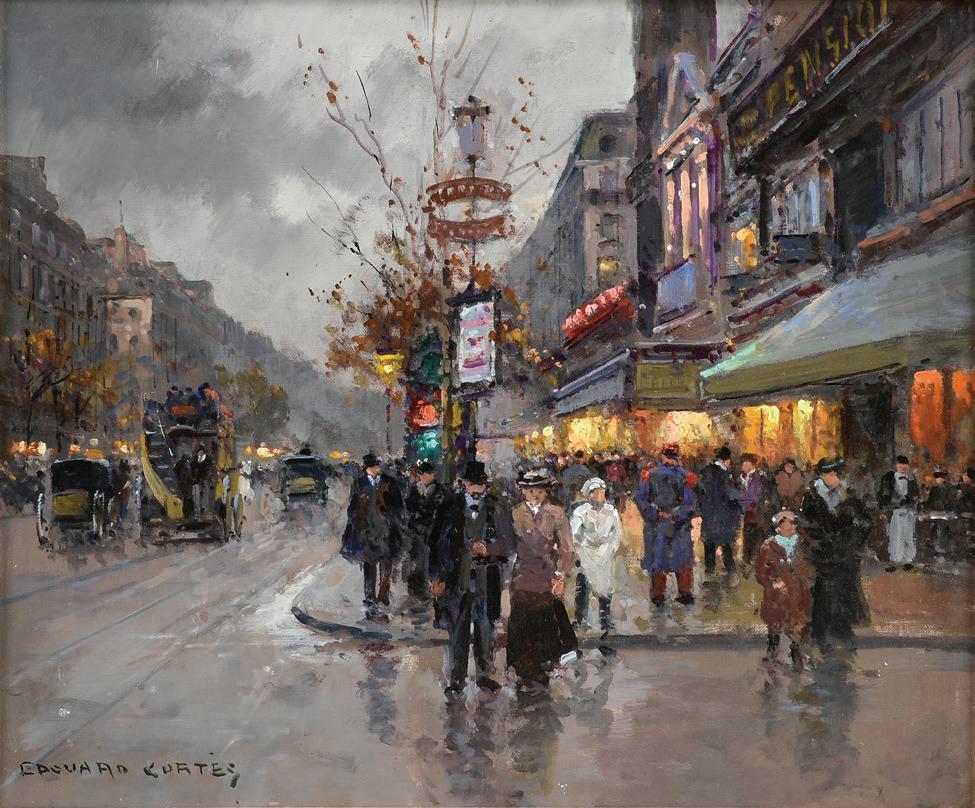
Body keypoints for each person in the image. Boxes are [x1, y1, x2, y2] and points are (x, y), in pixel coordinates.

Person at [428, 461, 514, 695]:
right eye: (472, 483)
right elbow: (435, 543)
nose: (476, 488)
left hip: (487, 577)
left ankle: (484, 675)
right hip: (457, 577)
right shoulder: (449, 507)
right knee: (458, 629)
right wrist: (437, 576)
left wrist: (489, 549)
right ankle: (457, 678)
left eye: (480, 484)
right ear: (464, 484)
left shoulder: (496, 507)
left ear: (485, 484)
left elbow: (508, 543)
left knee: (486, 627)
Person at [507, 468, 578, 689]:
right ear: (522, 491)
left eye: (539, 490)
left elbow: (567, 548)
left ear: (546, 491)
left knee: (545, 626)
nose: (535, 494)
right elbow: (508, 547)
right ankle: (522, 672)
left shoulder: (556, 513)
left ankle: (542, 671)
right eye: (530, 490)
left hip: (547, 578)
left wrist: (561, 576)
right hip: (522, 577)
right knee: (521, 625)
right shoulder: (515, 513)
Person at [799, 457, 873, 649]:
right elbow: (805, 524)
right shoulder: (812, 496)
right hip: (823, 554)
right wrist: (819, 542)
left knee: (844, 591)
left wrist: (853, 541)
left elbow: (866, 522)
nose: (835, 478)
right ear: (823, 476)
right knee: (824, 591)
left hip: (845, 554)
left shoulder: (848, 495)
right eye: (831, 474)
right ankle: (820, 631)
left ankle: (841, 630)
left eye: (837, 474)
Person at [340, 453, 406, 618]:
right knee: (369, 567)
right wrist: (355, 526)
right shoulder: (359, 483)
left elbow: (399, 507)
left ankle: (383, 598)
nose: (376, 469)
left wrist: (394, 521)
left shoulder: (389, 483)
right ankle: (369, 599)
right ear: (367, 468)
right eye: (373, 467)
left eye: (377, 466)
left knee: (386, 567)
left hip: (386, 532)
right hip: (367, 533)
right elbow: (352, 507)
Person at [637, 443, 697, 607]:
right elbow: (689, 504)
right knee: (682, 558)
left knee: (658, 559)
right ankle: (684, 593)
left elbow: (642, 501)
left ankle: (658, 595)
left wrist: (657, 514)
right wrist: (676, 516)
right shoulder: (685, 476)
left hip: (658, 525)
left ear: (662, 456)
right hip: (678, 525)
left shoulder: (650, 475)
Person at [755, 510, 813, 670]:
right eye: (785, 524)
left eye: (792, 524)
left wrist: (808, 579)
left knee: (798, 623)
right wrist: (771, 583)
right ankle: (772, 650)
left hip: (799, 590)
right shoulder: (769, 546)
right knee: (775, 623)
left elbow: (810, 565)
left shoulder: (801, 543)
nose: (789, 527)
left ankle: (797, 651)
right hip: (777, 595)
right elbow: (760, 571)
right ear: (778, 527)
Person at [569, 478, 623, 632]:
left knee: (605, 586)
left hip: (604, 554)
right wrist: (581, 549)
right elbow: (574, 534)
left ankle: (605, 619)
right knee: (584, 585)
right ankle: (580, 619)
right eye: (596, 493)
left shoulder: (611, 511)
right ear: (589, 495)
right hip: (586, 553)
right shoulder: (580, 512)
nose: (600, 496)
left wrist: (611, 548)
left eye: (602, 492)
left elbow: (617, 532)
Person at [403, 460, 447, 599]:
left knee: (430, 560)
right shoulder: (414, 489)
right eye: (422, 474)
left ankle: (429, 589)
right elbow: (408, 508)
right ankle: (416, 590)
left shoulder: (440, 491)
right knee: (416, 560)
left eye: (428, 474)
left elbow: (440, 511)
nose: (425, 477)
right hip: (416, 531)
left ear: (433, 475)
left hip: (432, 532)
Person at [696, 446, 741, 574]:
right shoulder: (725, 475)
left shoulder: (705, 471)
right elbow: (732, 494)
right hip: (723, 513)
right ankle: (730, 568)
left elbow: (699, 492)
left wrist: (702, 508)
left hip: (708, 513)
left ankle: (710, 569)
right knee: (726, 541)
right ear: (727, 461)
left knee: (709, 541)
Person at [877, 455, 920, 570]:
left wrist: (912, 500)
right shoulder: (890, 478)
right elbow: (885, 495)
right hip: (896, 510)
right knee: (897, 535)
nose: (903, 467)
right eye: (901, 464)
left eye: (905, 464)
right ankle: (896, 559)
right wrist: (885, 510)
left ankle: (908, 559)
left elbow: (916, 494)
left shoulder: (911, 478)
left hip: (910, 511)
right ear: (896, 466)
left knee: (909, 535)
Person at [739, 452, 770, 567]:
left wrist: (739, 500)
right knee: (748, 537)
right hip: (749, 513)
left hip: (756, 513)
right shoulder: (743, 478)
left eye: (745, 463)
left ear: (751, 464)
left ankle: (755, 561)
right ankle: (747, 560)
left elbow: (754, 497)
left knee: (756, 537)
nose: (742, 466)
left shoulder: (758, 478)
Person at [922, 470, 955, 558]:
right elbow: (929, 501)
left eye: (940, 477)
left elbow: (951, 502)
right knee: (929, 524)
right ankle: (932, 545)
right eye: (937, 478)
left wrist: (944, 511)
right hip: (935, 513)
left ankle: (941, 547)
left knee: (941, 525)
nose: (938, 479)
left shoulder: (950, 488)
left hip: (946, 513)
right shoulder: (934, 489)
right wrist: (927, 511)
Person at [191, 445, 212, 516]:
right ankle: (198, 511)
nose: (198, 453)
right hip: (197, 480)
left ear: (202, 451)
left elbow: (208, 470)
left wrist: (205, 478)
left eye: (199, 452)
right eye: (197, 452)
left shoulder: (208, 459)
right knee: (197, 496)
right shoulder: (195, 459)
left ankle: (205, 510)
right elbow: (192, 467)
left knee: (205, 495)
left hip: (205, 479)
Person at [174, 453, 194, 517]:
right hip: (185, 484)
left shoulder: (179, 463)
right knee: (187, 498)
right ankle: (187, 513)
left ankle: (186, 513)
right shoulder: (186, 464)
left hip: (182, 484)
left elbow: (175, 471)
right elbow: (188, 474)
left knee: (185, 498)